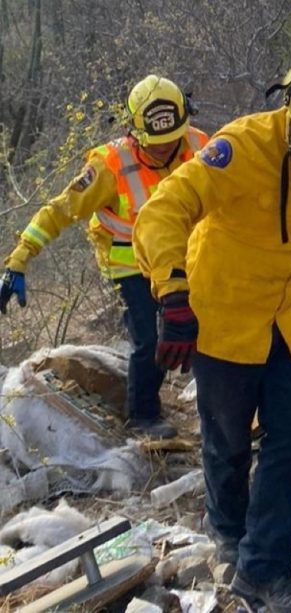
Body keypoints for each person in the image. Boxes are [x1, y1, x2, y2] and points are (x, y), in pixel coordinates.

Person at [133, 51, 291, 612]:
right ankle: (227, 532)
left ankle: (264, 570)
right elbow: (162, 211)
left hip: (290, 321)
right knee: (228, 443)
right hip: (222, 318)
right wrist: (172, 292)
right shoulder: (241, 149)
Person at [0, 75, 208, 439]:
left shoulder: (199, 144)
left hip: (186, 256)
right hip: (130, 264)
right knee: (148, 338)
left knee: (204, 326)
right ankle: (143, 415)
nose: (165, 149)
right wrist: (19, 258)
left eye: (171, 139)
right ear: (134, 130)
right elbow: (60, 210)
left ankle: (216, 406)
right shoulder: (110, 164)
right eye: (155, 143)